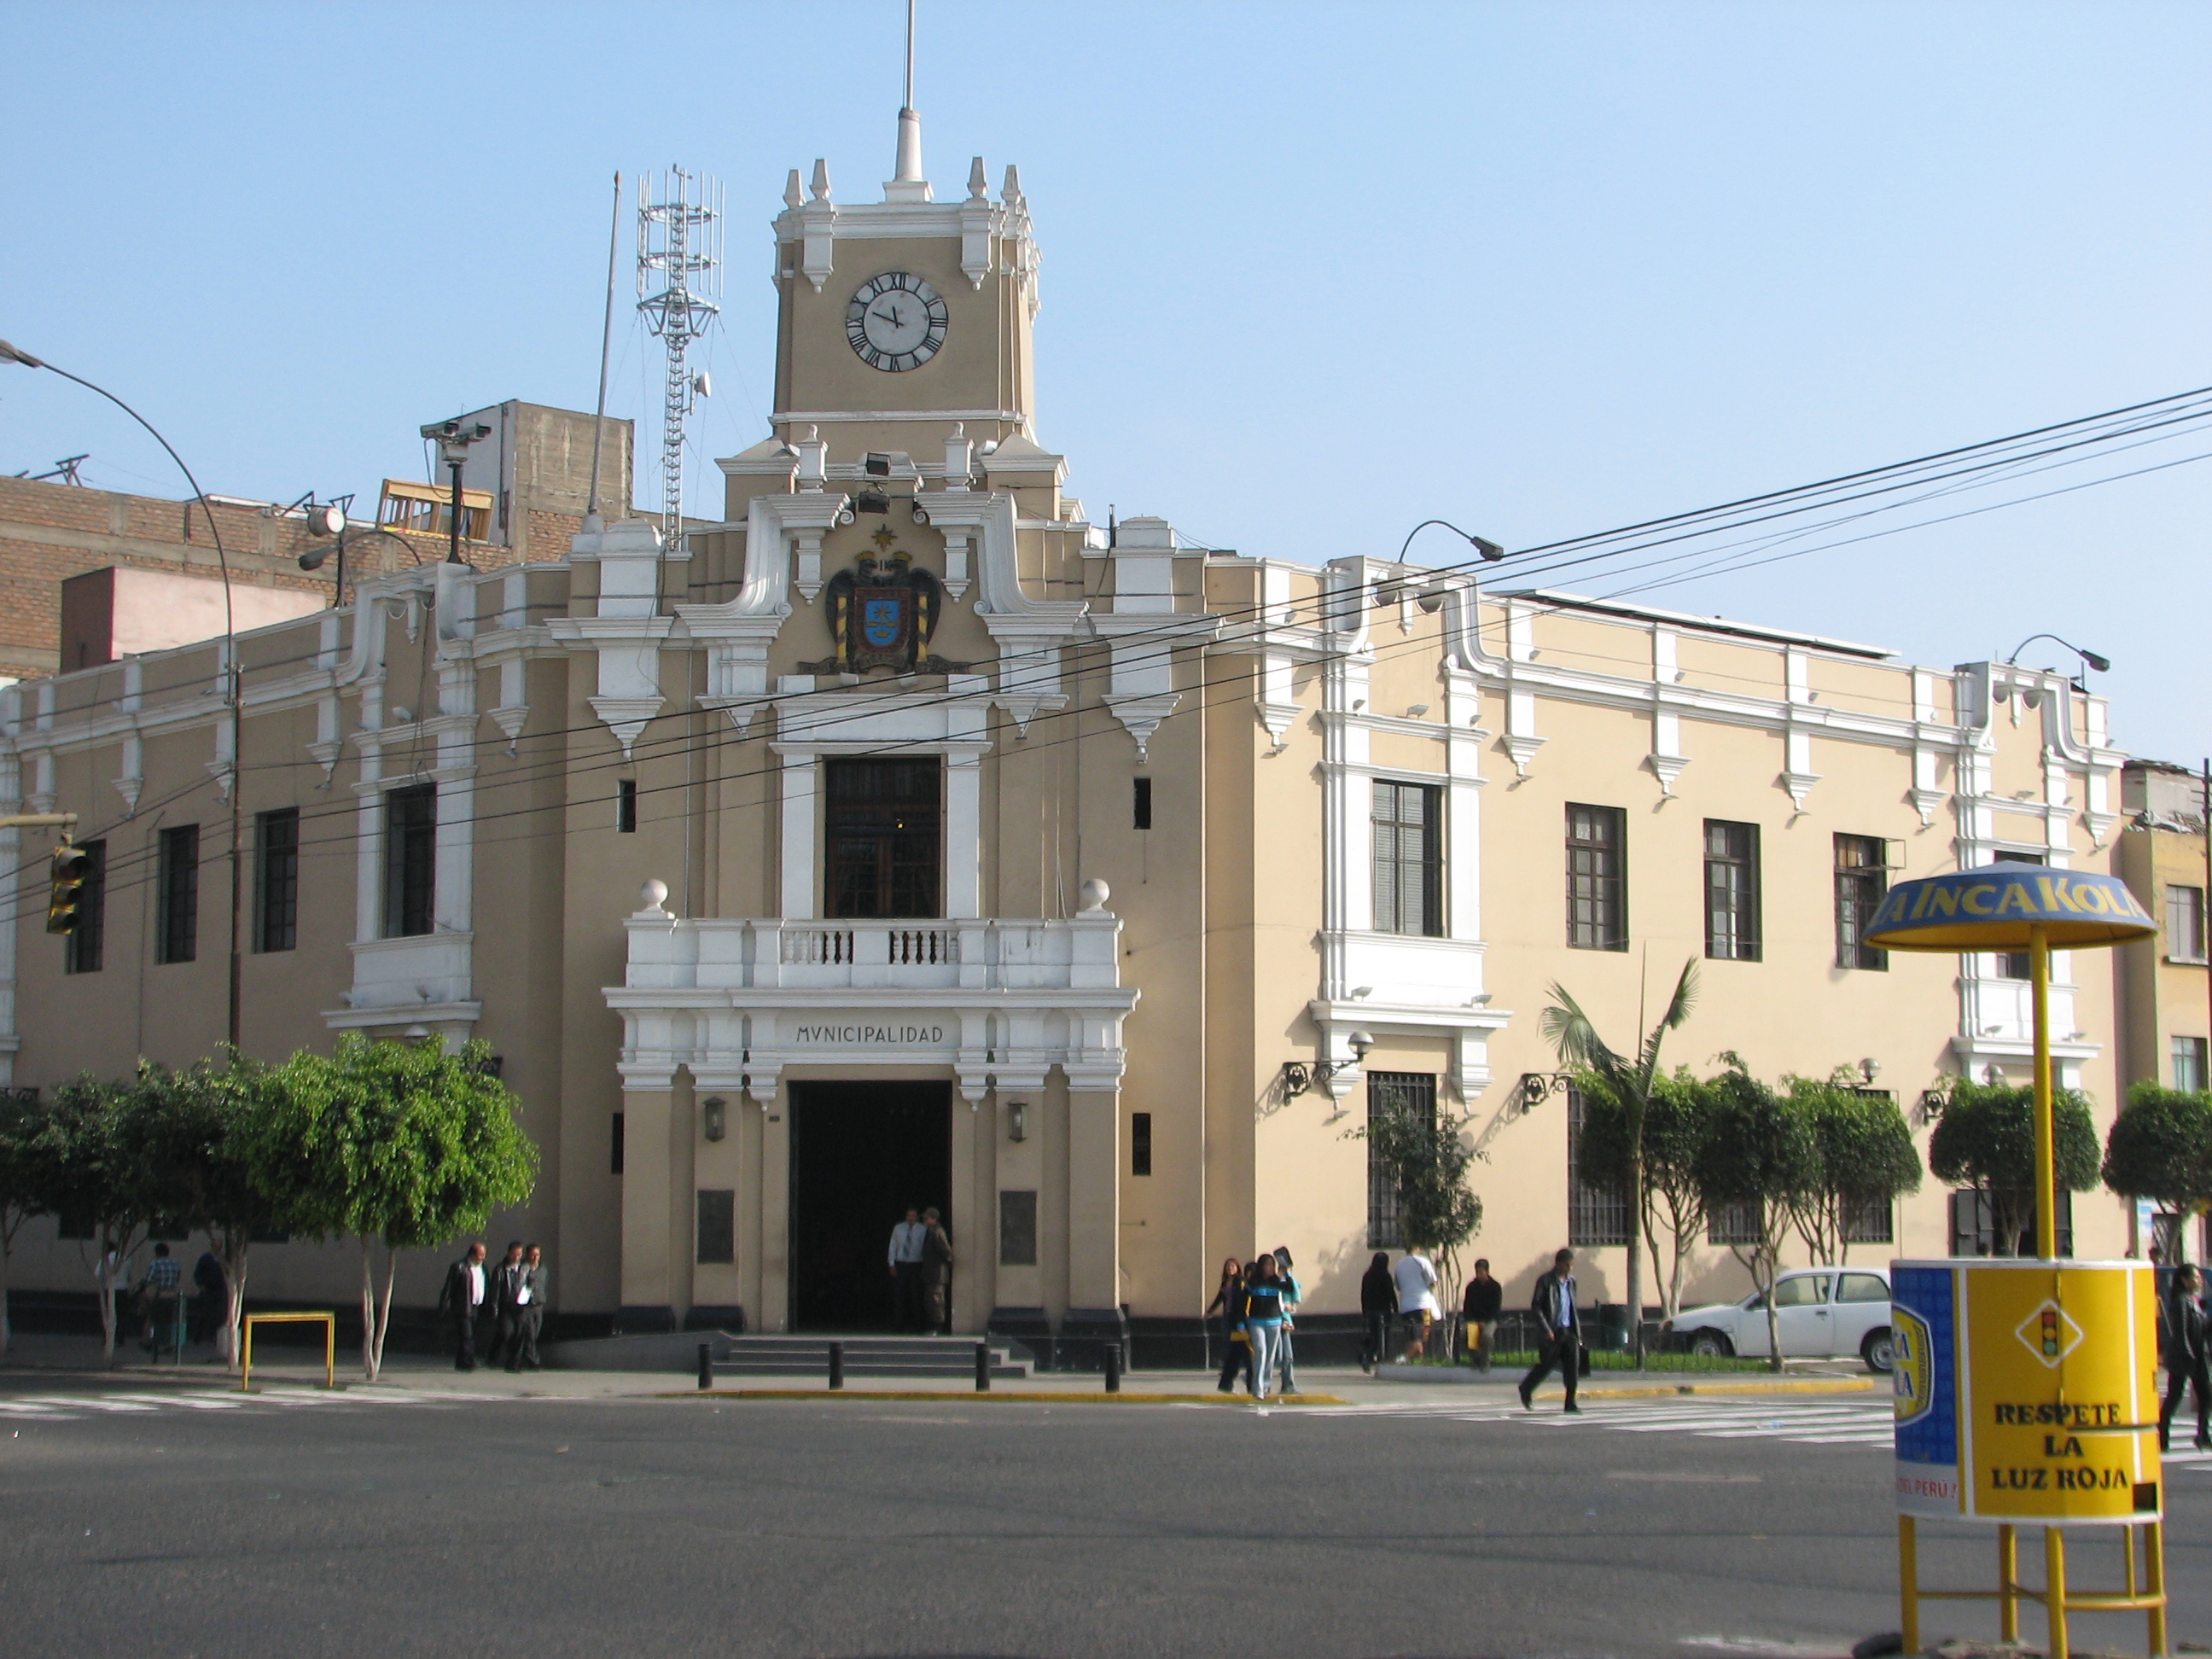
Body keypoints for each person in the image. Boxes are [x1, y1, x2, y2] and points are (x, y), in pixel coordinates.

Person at [1520, 1247, 1581, 1412]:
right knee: (1546, 1365)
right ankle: (1526, 1388)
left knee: (1572, 1367)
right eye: (1567, 1265)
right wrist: (1546, 1329)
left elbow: (1572, 1307)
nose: (1570, 1268)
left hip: (1568, 1330)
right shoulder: (1546, 1281)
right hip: (1552, 1331)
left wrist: (1577, 1332)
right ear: (1559, 1264)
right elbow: (1537, 1306)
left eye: (1571, 1265)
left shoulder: (1571, 1282)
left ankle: (1570, 1402)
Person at [2161, 1264, 2210, 1452]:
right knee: (2175, 1395)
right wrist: (2188, 1354)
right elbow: (2180, 1332)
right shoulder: (2182, 1301)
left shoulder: (2193, 1300)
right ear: (2185, 1280)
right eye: (2195, 1277)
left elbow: (2202, 1327)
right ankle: (2162, 1433)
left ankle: (2203, 1435)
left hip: (2198, 1356)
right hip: (2185, 1357)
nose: (2199, 1281)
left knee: (2206, 1396)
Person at [1243, 1254, 1288, 1400]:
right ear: (1261, 1267)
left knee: (1271, 1356)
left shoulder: (1276, 1281)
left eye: (1271, 1266)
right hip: (1256, 1322)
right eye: (1266, 1265)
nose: (1268, 1269)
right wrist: (1241, 1323)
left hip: (1274, 1322)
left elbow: (1290, 1289)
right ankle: (1258, 1389)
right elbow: (1242, 1301)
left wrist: (1285, 1274)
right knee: (1260, 1352)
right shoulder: (1254, 1282)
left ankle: (1266, 1383)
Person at [439, 1241, 488, 1371]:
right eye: (480, 1255)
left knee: (471, 1335)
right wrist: (444, 1305)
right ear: (472, 1254)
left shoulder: (482, 1268)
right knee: (467, 1336)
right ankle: (469, 1361)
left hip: (477, 1306)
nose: (483, 1258)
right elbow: (449, 1287)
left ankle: (461, 1361)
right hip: (463, 1307)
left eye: (484, 1255)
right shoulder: (460, 1267)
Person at [505, 1243, 549, 1373]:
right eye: (532, 1255)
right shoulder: (524, 1269)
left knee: (535, 1333)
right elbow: (519, 1285)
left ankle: (526, 1358)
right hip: (526, 1306)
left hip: (539, 1305)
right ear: (528, 1255)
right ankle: (530, 1361)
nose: (535, 1258)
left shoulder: (543, 1269)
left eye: (537, 1255)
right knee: (527, 1334)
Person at [1208, 1256, 1249, 1394]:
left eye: (1233, 1266)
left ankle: (1234, 1376)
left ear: (1238, 1268)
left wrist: (1240, 1321)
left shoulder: (1240, 1282)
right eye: (1228, 1267)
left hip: (1237, 1318)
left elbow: (1241, 1301)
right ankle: (1228, 1374)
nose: (1230, 1269)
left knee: (1237, 1348)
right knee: (1228, 1344)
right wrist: (1210, 1311)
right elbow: (1220, 1297)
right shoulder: (1226, 1282)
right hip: (1227, 1316)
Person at [1392, 1245, 1438, 1361]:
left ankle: (1417, 1360)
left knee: (1411, 1336)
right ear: (1418, 1248)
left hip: (1406, 1306)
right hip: (1424, 1305)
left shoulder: (1400, 1265)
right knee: (1423, 1335)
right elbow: (1433, 1282)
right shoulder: (1423, 1261)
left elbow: (1398, 1286)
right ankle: (1406, 1358)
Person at [136, 1242, 182, 1353]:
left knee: (152, 1319)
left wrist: (139, 1289)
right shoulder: (175, 1263)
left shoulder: (155, 1264)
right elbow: (178, 1277)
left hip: (160, 1295)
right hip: (172, 1295)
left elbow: (147, 1280)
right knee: (171, 1320)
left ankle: (146, 1340)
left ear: (156, 1253)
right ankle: (170, 1344)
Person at [888, 1207, 928, 1332]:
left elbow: (925, 1249)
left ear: (917, 1217)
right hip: (901, 1264)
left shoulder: (923, 1229)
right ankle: (898, 1325)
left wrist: (924, 1267)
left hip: (916, 1265)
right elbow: (893, 1246)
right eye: (908, 1215)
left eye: (913, 1216)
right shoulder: (898, 1228)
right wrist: (891, 1264)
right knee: (899, 1296)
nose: (910, 1218)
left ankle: (918, 1325)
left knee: (916, 1296)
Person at [488, 1241, 526, 1368]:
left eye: (519, 1255)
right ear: (509, 1254)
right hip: (505, 1306)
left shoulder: (523, 1269)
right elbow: (495, 1291)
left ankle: (514, 1363)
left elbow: (529, 1286)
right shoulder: (500, 1270)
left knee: (519, 1334)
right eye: (514, 1254)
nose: (516, 1258)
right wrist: (494, 1309)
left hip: (520, 1307)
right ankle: (493, 1354)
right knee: (506, 1332)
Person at [1462, 1258, 1504, 1372]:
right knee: (1468, 1333)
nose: (1479, 1274)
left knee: (1487, 1336)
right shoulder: (1471, 1287)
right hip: (1475, 1319)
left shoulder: (1495, 1287)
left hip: (1490, 1319)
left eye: (1481, 1272)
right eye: (1477, 1272)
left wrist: (1486, 1321)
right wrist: (1472, 1321)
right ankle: (1475, 1359)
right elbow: (1468, 1306)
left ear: (1486, 1271)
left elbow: (1496, 1307)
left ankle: (1485, 1361)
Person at [1359, 1252, 1397, 1373]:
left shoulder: (1367, 1275)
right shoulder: (1385, 1275)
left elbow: (1363, 1295)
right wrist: (1395, 1307)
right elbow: (1391, 1293)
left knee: (1374, 1336)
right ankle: (1379, 1359)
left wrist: (1364, 1312)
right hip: (1383, 1311)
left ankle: (1370, 1358)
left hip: (1370, 1311)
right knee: (1383, 1337)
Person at [1271, 1247, 1302, 1394]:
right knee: (1279, 1356)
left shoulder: (1289, 1283)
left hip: (1285, 1321)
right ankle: (1253, 1375)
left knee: (1286, 1356)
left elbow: (1296, 1297)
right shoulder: (1276, 1283)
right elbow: (1278, 1302)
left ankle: (1287, 1385)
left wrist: (1289, 1276)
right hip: (1277, 1321)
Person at [918, 1207, 953, 1334]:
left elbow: (947, 1252)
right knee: (929, 1301)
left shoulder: (937, 1232)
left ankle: (937, 1326)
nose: (925, 1220)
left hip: (937, 1274)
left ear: (934, 1219)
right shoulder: (930, 1231)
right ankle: (933, 1325)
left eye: (927, 1218)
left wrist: (947, 1263)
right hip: (930, 1274)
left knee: (936, 1301)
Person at [189, 1249, 225, 1345]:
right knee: (203, 1313)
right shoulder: (206, 1258)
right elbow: (197, 1272)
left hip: (220, 1290)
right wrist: (201, 1285)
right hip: (207, 1289)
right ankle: (197, 1336)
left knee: (219, 1314)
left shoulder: (223, 1258)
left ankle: (215, 1336)